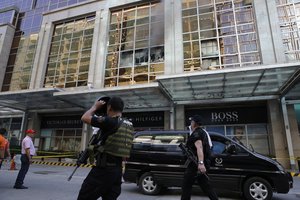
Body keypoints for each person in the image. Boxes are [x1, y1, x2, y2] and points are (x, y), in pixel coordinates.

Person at [77, 96, 133, 200]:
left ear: (110, 107)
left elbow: (84, 118)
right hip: (117, 171)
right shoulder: (129, 124)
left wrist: (95, 107)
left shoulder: (110, 122)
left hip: (103, 170)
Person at [181, 115, 218, 200]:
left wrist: (200, 163)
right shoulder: (203, 132)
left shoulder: (197, 133)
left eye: (191, 121)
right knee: (206, 186)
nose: (190, 123)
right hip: (199, 163)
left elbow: (199, 147)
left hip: (195, 164)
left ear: (194, 123)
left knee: (186, 185)